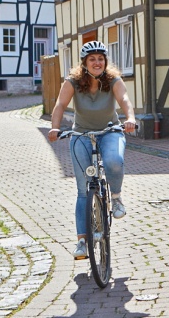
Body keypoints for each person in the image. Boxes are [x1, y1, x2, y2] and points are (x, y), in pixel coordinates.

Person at [48, 40, 137, 260]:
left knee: (114, 160)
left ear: (105, 61)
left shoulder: (113, 80)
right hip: (81, 135)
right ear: (84, 63)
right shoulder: (73, 82)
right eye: (92, 59)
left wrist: (131, 119)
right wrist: (55, 128)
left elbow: (124, 99)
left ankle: (115, 197)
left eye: (100, 59)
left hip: (110, 132)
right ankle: (81, 242)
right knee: (82, 189)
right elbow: (60, 105)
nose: (97, 62)